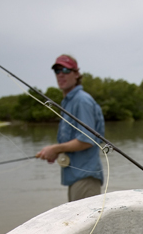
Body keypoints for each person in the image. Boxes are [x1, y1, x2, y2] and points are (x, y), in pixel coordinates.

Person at [36, 55, 105, 201]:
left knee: (88, 224)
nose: (61, 74)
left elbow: (86, 140)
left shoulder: (82, 101)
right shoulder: (68, 102)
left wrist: (55, 149)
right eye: (57, 70)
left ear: (76, 74)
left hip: (86, 178)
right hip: (76, 178)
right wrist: (57, 151)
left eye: (66, 70)